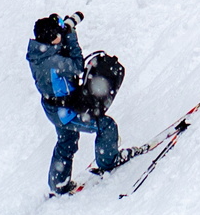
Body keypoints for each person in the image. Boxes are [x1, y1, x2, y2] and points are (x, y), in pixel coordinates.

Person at [26, 12, 132, 195]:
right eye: (57, 34)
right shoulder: (52, 61)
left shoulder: (38, 55)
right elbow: (76, 65)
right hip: (66, 112)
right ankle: (109, 161)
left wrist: (63, 34)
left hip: (56, 109)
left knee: (67, 140)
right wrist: (71, 35)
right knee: (106, 126)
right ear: (51, 39)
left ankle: (58, 183)